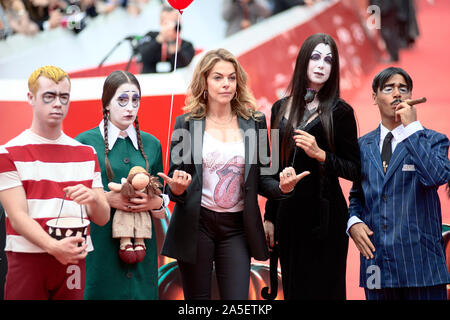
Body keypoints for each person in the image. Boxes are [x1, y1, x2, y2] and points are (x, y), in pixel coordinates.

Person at [159, 48, 308, 300]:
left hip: (237, 229)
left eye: (231, 77)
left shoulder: (257, 121)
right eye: (218, 77)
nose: (226, 84)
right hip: (196, 226)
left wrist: (284, 187)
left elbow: (265, 179)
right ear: (204, 82)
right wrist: (176, 189)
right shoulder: (186, 123)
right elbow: (174, 180)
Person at [263, 33, 361, 300]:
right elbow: (272, 166)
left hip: (326, 217)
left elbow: (354, 169)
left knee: (327, 291)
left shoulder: (341, 112)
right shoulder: (279, 109)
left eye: (328, 60)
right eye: (315, 57)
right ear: (303, 61)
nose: (321, 65)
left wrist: (322, 155)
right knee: (295, 291)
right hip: (289, 215)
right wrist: (270, 216)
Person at [0, 65, 110, 300]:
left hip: (73, 260)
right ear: (31, 98)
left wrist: (93, 198)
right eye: (49, 96)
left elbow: (102, 217)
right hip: (28, 259)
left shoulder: (87, 153)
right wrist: (54, 247)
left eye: (64, 97)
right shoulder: (8, 153)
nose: (58, 104)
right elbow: (18, 218)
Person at [348, 67, 450, 300]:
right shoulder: (362, 146)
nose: (397, 94)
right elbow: (357, 196)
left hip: (422, 269)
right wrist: (353, 222)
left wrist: (412, 129)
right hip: (376, 267)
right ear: (374, 97)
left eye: (403, 89)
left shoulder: (433, 140)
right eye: (388, 88)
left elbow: (435, 176)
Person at [75, 70, 166, 300]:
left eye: (135, 100)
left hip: (142, 252)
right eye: (122, 100)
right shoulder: (84, 143)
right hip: (99, 251)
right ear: (107, 103)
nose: (130, 107)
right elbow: (72, 201)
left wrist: (156, 202)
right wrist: (105, 198)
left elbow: (160, 201)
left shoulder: (152, 144)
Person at [136, 6, 195, 74]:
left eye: (174, 21)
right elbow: (143, 56)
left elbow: (184, 65)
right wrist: (159, 40)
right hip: (150, 80)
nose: (171, 26)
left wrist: (173, 44)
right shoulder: (151, 36)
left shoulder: (186, 45)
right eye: (167, 22)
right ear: (161, 22)